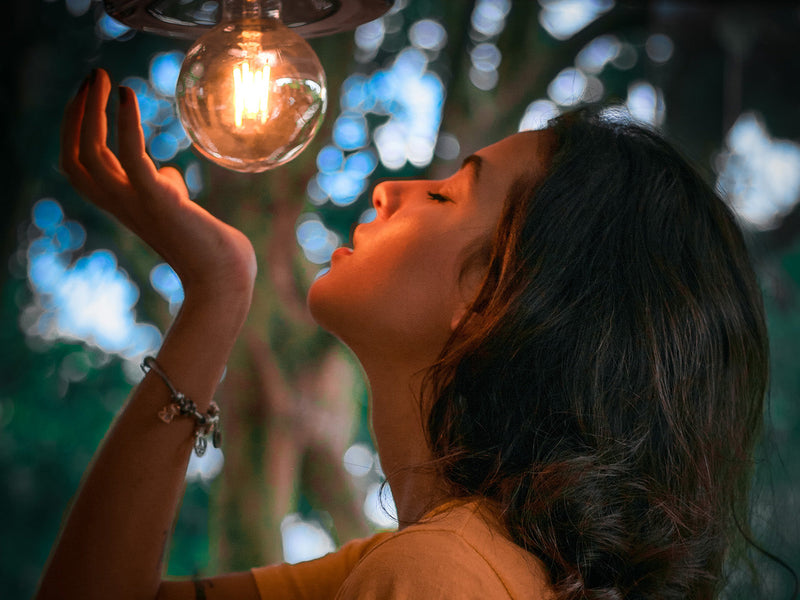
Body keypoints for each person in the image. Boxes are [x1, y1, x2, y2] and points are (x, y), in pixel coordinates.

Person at [36, 67, 771, 600]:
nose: (391, 190)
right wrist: (216, 293)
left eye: (448, 193)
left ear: (495, 300)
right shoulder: (456, 562)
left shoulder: (438, 577)